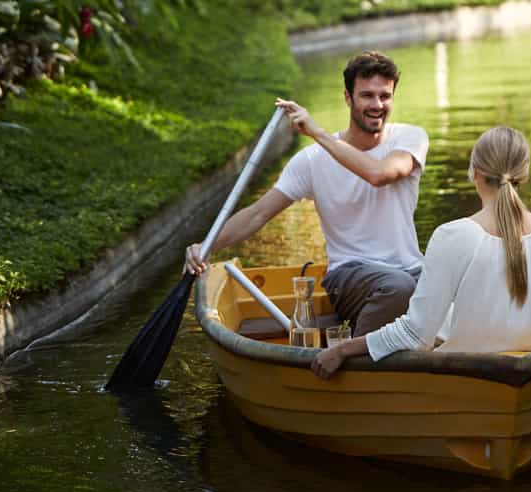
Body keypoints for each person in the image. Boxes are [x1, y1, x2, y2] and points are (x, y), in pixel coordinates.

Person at [311, 126, 531, 379]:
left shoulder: (451, 236)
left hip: (468, 380)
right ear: (525, 176)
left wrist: (345, 348)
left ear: (475, 174)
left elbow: (416, 334)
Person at [184, 51, 430, 336]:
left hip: (411, 270)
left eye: (384, 96)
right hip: (350, 274)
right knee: (398, 287)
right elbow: (257, 214)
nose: (377, 105)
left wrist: (317, 133)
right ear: (348, 97)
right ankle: (356, 357)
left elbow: (380, 174)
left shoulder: (410, 138)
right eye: (367, 96)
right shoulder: (311, 160)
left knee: (461, 278)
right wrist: (206, 246)